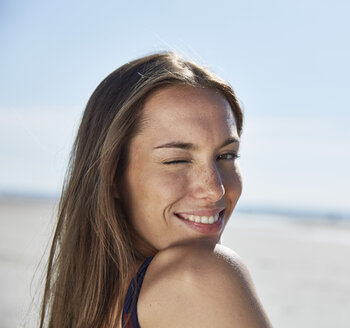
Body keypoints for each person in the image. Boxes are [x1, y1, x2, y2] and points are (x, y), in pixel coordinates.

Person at [40, 52, 272, 328]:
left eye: (226, 156)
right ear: (112, 175)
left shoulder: (89, 304)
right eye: (177, 160)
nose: (215, 189)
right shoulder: (199, 276)